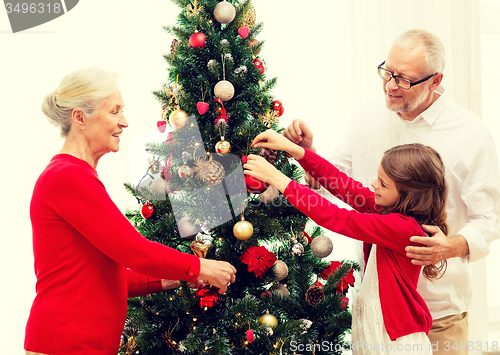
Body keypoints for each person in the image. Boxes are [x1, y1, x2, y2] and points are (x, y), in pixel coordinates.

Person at [283, 29, 500, 354]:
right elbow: (336, 186)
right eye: (387, 72)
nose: (390, 85)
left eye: (403, 79)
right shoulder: (367, 115)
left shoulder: (471, 134)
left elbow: (489, 220)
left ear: (435, 80)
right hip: (376, 309)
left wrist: (448, 247)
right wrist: (308, 155)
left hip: (440, 313)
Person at [24, 67, 237, 355]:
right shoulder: (67, 177)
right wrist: (202, 267)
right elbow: (135, 251)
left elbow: (103, 279)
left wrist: (180, 276)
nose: (124, 122)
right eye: (114, 111)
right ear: (80, 117)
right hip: (67, 345)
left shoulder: (73, 175)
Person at [244, 129, 449, 354]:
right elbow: (344, 186)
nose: (373, 184)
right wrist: (295, 150)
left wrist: (278, 179)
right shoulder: (389, 211)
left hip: (394, 341)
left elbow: (338, 218)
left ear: (408, 194)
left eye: (383, 183)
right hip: (377, 330)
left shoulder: (402, 227)